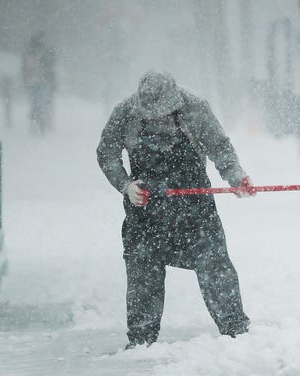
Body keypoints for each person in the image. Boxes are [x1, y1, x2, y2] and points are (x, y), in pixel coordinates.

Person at [97, 71, 254, 348]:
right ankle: (141, 340)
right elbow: (106, 154)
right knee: (143, 274)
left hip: (194, 210)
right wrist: (125, 185)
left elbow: (219, 146)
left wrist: (236, 175)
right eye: (152, 117)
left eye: (164, 115)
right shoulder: (124, 112)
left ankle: (236, 332)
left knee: (215, 266)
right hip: (145, 211)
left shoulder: (195, 107)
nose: (158, 121)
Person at [21, 32, 56, 134]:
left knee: (34, 103)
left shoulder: (28, 53)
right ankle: (42, 121)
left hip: (32, 81)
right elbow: (50, 67)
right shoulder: (45, 52)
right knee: (42, 102)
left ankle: (35, 122)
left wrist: (25, 79)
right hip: (42, 81)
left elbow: (24, 68)